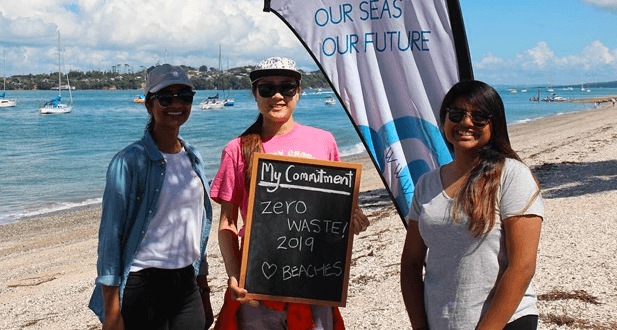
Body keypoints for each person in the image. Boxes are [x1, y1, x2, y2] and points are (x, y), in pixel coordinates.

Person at [210, 57, 370, 330]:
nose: (277, 96)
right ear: (254, 94)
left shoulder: (324, 141)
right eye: (266, 89)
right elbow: (227, 223)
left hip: (315, 283)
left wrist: (354, 219)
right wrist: (234, 275)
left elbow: (337, 210)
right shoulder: (237, 149)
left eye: (287, 87)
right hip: (257, 289)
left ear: (299, 91)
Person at [400, 80, 544, 330]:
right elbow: (411, 263)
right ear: (444, 120)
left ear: (495, 124)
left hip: (505, 322)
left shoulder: (512, 176)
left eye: (479, 117)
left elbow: (522, 266)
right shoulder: (426, 184)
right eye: (456, 114)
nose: (466, 123)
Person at [89, 64, 213, 330]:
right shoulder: (129, 162)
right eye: (166, 97)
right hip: (143, 284)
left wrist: (203, 290)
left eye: (185, 96)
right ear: (149, 105)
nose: (176, 104)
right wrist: (112, 315)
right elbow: (110, 240)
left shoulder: (193, 158)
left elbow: (195, 230)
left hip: (186, 283)